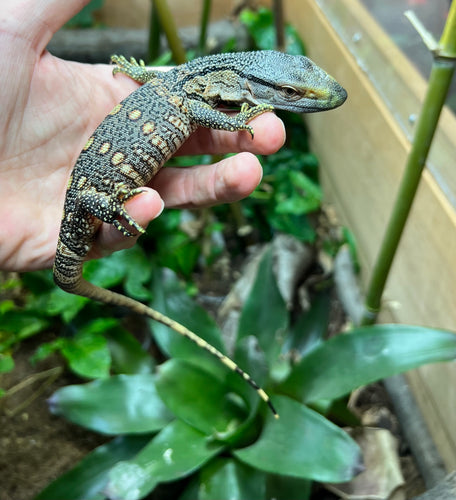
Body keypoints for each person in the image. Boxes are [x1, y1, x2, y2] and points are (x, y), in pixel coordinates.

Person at [0, 0, 286, 272]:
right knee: (94, 201)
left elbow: (185, 100)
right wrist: (236, 123)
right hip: (87, 201)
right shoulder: (187, 89)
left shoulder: (182, 81)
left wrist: (135, 72)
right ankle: (102, 227)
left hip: (90, 190)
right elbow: (194, 110)